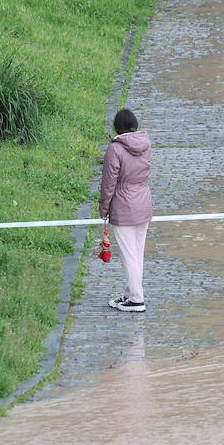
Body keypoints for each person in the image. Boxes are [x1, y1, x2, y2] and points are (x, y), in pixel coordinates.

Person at [99, 108, 153, 312]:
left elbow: (108, 183)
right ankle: (130, 293)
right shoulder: (146, 145)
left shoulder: (115, 149)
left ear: (117, 127)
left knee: (129, 255)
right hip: (143, 203)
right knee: (137, 254)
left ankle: (137, 299)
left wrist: (104, 208)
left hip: (123, 206)